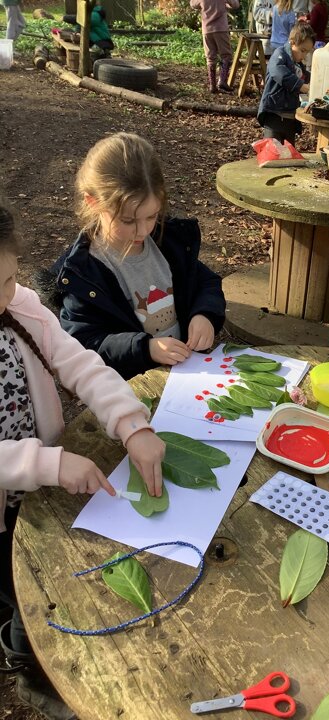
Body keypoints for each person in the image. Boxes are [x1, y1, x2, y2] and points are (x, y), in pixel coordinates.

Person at [0, 201, 165, 718]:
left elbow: (81, 365)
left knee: (37, 575)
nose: (2, 298)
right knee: (22, 589)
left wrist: (132, 424)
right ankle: (29, 669)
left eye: (7, 280)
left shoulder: (21, 307)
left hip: (34, 489)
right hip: (17, 491)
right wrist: (49, 464)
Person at [53, 133, 226, 380]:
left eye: (152, 216)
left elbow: (205, 282)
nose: (143, 230)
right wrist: (145, 349)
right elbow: (85, 341)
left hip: (184, 374)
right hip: (131, 385)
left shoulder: (168, 242)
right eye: (128, 220)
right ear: (93, 203)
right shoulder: (84, 273)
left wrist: (204, 314)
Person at [258, 21, 315, 146]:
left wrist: (316, 81)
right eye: (302, 50)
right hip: (274, 113)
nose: (304, 55)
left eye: (307, 52)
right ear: (292, 42)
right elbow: (278, 72)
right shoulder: (279, 55)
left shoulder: (298, 64)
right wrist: (300, 86)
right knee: (272, 150)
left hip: (290, 116)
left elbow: (304, 77)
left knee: (288, 152)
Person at [190, 0, 239, 93]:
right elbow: (235, 4)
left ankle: (212, 85)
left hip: (207, 30)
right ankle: (222, 81)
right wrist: (225, 5)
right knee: (226, 56)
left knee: (210, 57)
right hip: (221, 29)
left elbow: (193, 4)